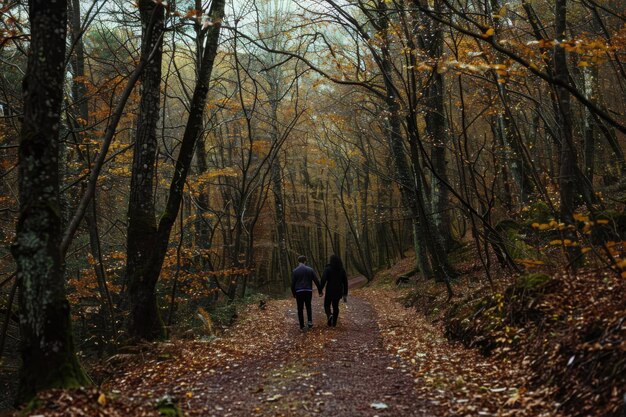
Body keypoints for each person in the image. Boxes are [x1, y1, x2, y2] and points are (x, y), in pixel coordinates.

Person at [291, 255, 321, 330]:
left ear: (298, 262)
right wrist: (320, 290)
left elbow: (293, 284)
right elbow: (316, 280)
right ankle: (310, 322)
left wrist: (293, 293)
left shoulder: (295, 271)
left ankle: (302, 325)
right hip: (308, 290)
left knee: (300, 308)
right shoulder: (310, 270)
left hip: (299, 291)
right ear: (305, 261)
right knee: (308, 306)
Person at [319, 254, 348, 327]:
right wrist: (345, 294)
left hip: (330, 290)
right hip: (338, 291)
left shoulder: (328, 269)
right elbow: (345, 282)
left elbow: (323, 279)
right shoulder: (342, 269)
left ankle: (329, 315)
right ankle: (334, 323)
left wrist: (320, 289)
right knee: (335, 307)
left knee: (326, 305)